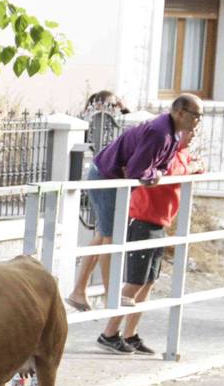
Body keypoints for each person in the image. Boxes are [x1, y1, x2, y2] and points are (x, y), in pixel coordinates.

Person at [67, 93, 204, 313]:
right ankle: (111, 294)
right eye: (196, 116)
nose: (198, 121)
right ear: (180, 113)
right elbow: (137, 170)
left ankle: (80, 291)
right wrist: (152, 175)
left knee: (103, 235)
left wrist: (154, 173)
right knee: (111, 237)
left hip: (111, 177)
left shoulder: (172, 133)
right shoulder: (160, 133)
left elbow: (158, 167)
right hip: (106, 176)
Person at [96, 126, 206, 354]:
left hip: (159, 222)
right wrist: (192, 167)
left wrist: (196, 165)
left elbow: (195, 167)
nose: (193, 134)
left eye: (196, 130)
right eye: (190, 129)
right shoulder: (166, 151)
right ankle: (109, 333)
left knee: (148, 281)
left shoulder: (184, 154)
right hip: (143, 221)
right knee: (135, 281)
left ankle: (130, 333)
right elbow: (170, 172)